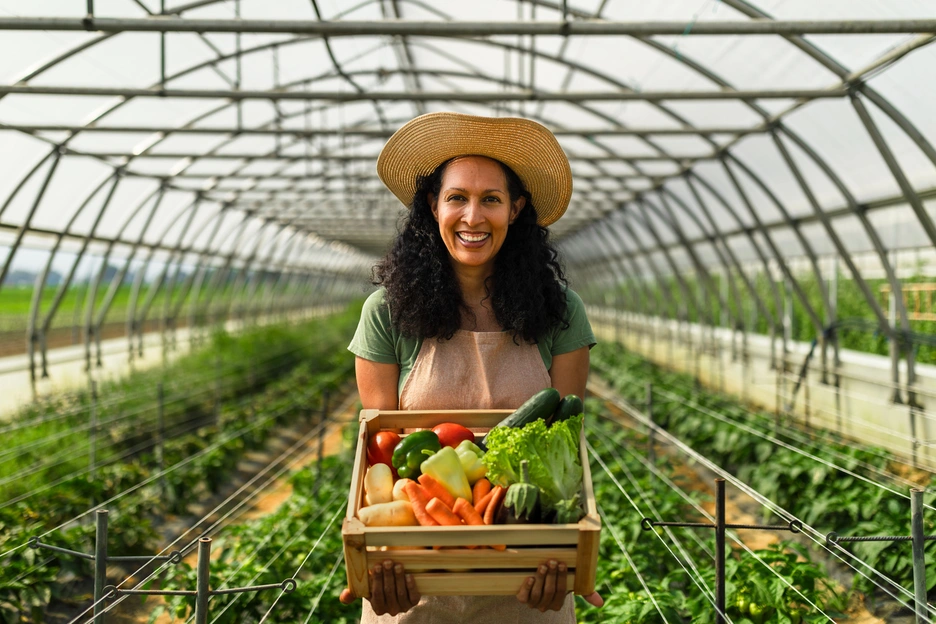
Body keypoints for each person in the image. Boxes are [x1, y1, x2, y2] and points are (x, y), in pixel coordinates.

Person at [339, 112, 603, 623]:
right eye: (457, 197)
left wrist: (563, 559)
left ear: (516, 209)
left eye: (492, 200)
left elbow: (564, 444)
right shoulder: (386, 312)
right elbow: (379, 457)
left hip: (524, 573)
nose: (473, 217)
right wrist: (381, 564)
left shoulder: (561, 311)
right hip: (416, 573)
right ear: (433, 206)